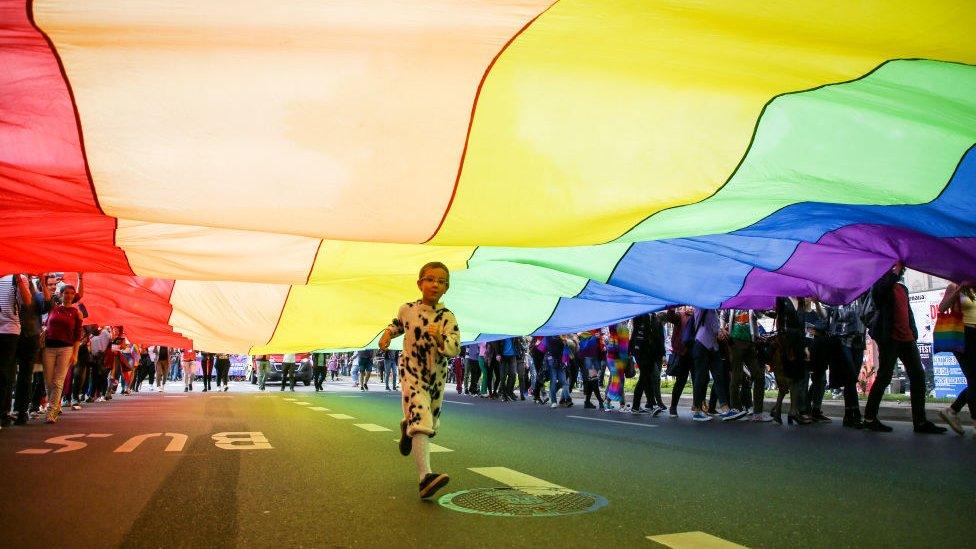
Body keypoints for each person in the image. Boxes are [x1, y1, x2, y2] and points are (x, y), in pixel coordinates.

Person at [379, 262, 460, 499]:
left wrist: (439, 339)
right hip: (411, 372)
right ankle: (425, 477)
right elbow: (397, 325)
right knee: (422, 418)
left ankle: (407, 427)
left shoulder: (447, 317)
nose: (435, 284)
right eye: (430, 279)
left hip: (435, 378)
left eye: (441, 281)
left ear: (447, 288)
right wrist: (386, 335)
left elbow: (454, 348)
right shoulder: (408, 309)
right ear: (420, 283)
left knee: (430, 424)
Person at [864, 262, 945, 434]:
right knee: (884, 377)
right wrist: (895, 271)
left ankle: (920, 422)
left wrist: (913, 332)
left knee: (918, 376)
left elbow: (908, 312)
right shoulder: (880, 286)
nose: (898, 271)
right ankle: (870, 418)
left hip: (907, 339)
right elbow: (879, 295)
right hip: (890, 339)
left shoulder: (903, 289)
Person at [937, 281, 975, 436]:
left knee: (975, 380)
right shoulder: (954, 286)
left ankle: (952, 410)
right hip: (963, 335)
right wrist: (958, 290)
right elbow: (942, 307)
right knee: (974, 379)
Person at [41, 284, 83, 424]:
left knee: (58, 381)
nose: (69, 295)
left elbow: (78, 336)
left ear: (74, 296)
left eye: (72, 293)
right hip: (49, 348)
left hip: (66, 349)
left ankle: (51, 411)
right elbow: (47, 296)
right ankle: (56, 404)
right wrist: (42, 279)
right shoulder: (53, 308)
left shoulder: (77, 313)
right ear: (61, 294)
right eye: (66, 292)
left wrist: (75, 354)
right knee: (48, 380)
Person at [826, 294, 869, 428]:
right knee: (850, 378)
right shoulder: (839, 295)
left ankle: (849, 415)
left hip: (858, 341)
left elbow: (867, 314)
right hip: (843, 341)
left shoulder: (864, 294)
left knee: (852, 378)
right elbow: (837, 316)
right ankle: (854, 413)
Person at [13, 274, 50, 425]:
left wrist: (43, 281)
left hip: (30, 337)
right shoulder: (11, 286)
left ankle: (21, 411)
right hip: (12, 335)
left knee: (26, 375)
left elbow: (47, 305)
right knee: (8, 374)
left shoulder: (37, 295)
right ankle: (8, 411)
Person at [1, 274, 32, 428]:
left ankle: (4, 413)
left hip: (9, 330)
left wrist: (19, 278)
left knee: (4, 372)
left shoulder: (16, 277)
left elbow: (27, 301)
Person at [631, 313, 666, 415]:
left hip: (648, 353)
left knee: (646, 379)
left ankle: (649, 405)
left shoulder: (653, 317)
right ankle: (642, 406)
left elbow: (658, 337)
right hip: (641, 352)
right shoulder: (641, 316)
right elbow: (643, 334)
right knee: (645, 378)